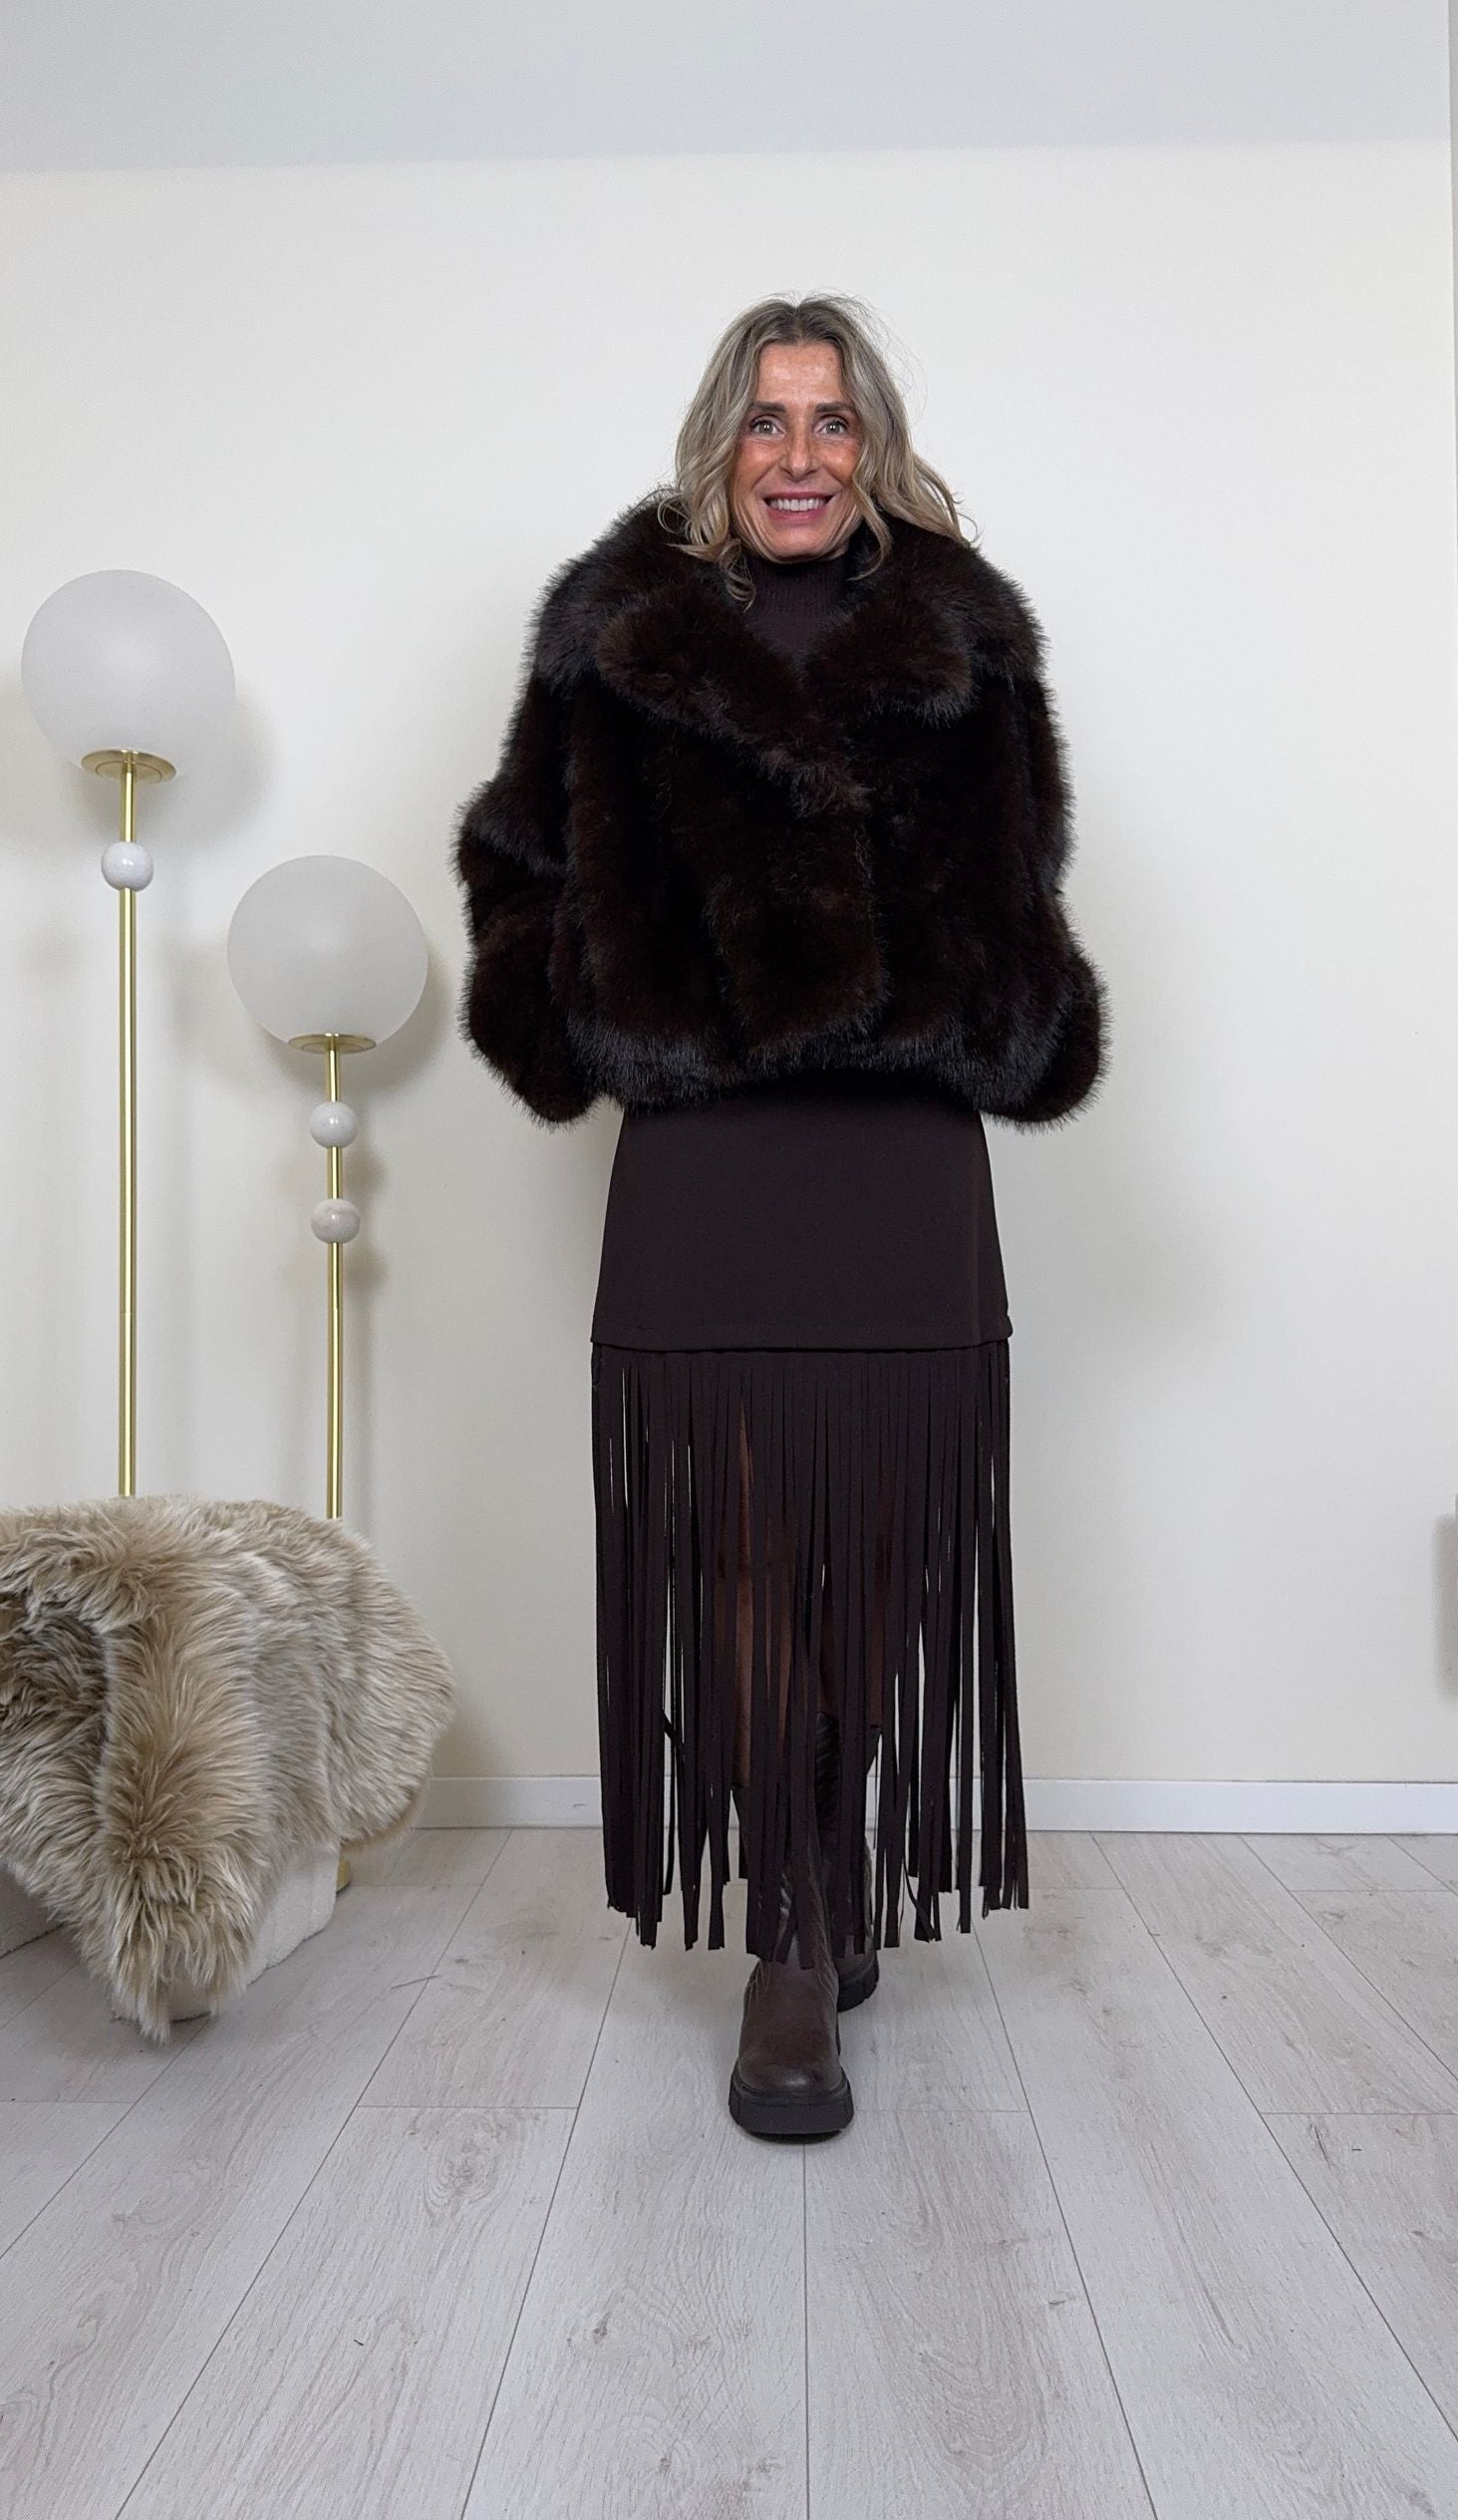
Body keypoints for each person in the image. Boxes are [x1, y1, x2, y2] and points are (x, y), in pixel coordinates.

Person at [452, 292, 1107, 2142]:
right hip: (710, 1168)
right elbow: (514, 865)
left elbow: (1026, 881)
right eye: (767, 420)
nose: (800, 455)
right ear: (719, 445)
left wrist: (990, 1005)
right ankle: (801, 1937)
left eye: (831, 420)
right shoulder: (619, 635)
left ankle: (815, 1873)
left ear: (872, 444)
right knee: (736, 1554)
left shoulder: (966, 633)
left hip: (901, 1168)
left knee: (886, 1557)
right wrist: (597, 1003)